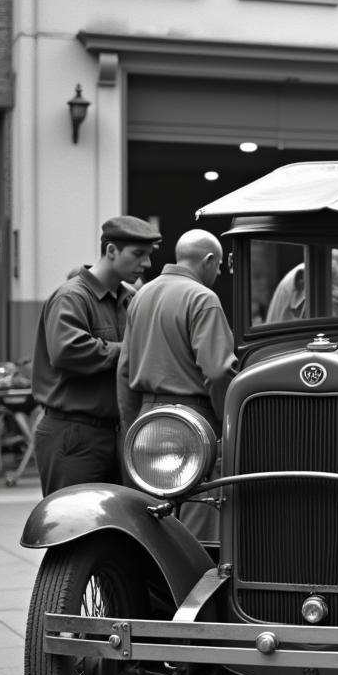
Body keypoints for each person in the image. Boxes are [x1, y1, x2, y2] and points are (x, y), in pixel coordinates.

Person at [118, 228, 236, 540]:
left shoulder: (141, 296)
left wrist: (133, 426)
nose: (219, 272)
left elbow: (124, 370)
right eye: (220, 265)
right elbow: (218, 371)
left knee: (155, 519)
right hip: (195, 420)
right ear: (209, 261)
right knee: (200, 517)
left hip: (147, 418)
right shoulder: (202, 298)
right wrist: (229, 425)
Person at [31, 215, 160, 495]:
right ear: (111, 251)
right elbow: (68, 351)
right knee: (72, 529)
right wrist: (128, 350)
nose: (147, 264)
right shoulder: (72, 297)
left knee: (119, 529)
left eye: (149, 256)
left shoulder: (131, 300)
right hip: (73, 434)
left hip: (116, 433)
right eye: (138, 254)